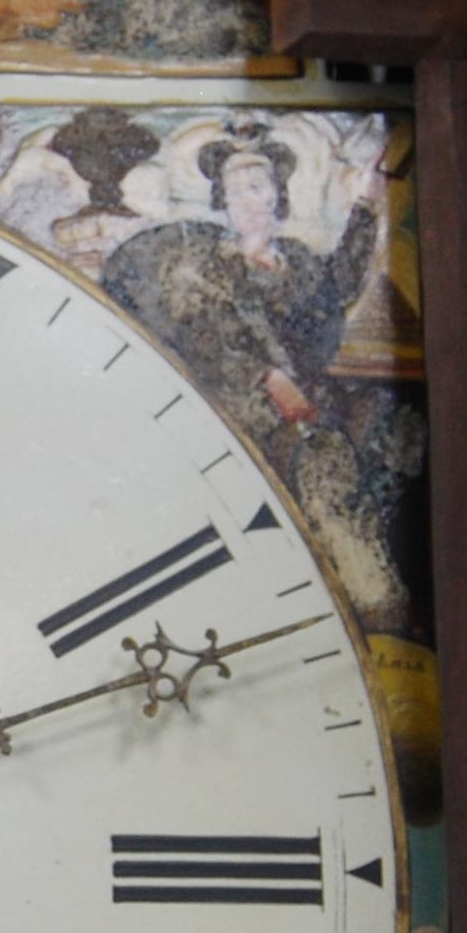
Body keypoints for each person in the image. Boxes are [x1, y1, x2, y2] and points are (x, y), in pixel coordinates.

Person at [101, 123, 420, 631]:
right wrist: (270, 378)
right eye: (237, 189)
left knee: (397, 429)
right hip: (244, 408)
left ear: (278, 193)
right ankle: (374, 604)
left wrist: (363, 206)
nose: (250, 199)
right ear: (222, 199)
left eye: (259, 186)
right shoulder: (205, 264)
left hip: (310, 399)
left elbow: (337, 287)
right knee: (323, 459)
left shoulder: (296, 261)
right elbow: (209, 340)